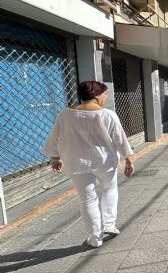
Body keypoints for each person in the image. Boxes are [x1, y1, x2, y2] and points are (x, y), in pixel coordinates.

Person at [43, 81, 134, 248]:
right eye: (105, 94)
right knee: (109, 189)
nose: (106, 97)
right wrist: (128, 158)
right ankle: (109, 224)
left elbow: (55, 136)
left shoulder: (65, 114)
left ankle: (94, 238)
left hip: (76, 162)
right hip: (104, 161)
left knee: (87, 199)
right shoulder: (107, 114)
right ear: (96, 95)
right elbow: (119, 138)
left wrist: (56, 157)